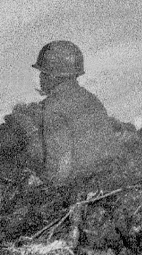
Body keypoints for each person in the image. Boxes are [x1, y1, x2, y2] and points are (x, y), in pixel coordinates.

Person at [22, 40, 123, 183]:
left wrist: (44, 186)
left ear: (53, 76)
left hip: (79, 185)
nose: (40, 78)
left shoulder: (54, 105)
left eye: (43, 73)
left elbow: (60, 163)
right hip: (107, 179)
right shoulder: (91, 98)